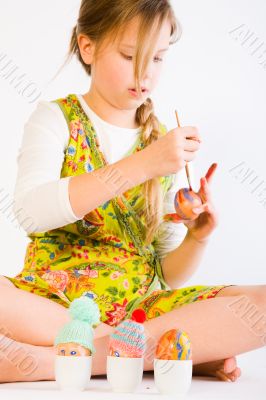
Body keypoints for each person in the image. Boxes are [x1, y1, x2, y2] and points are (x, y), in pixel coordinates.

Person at [0, 0, 265, 384]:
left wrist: (197, 238)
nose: (145, 73)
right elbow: (30, 212)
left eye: (157, 58)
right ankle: (155, 352)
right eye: (129, 56)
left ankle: (54, 360)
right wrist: (143, 165)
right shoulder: (56, 118)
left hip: (140, 309)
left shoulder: (159, 142)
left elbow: (165, 276)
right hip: (54, 304)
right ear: (87, 47)